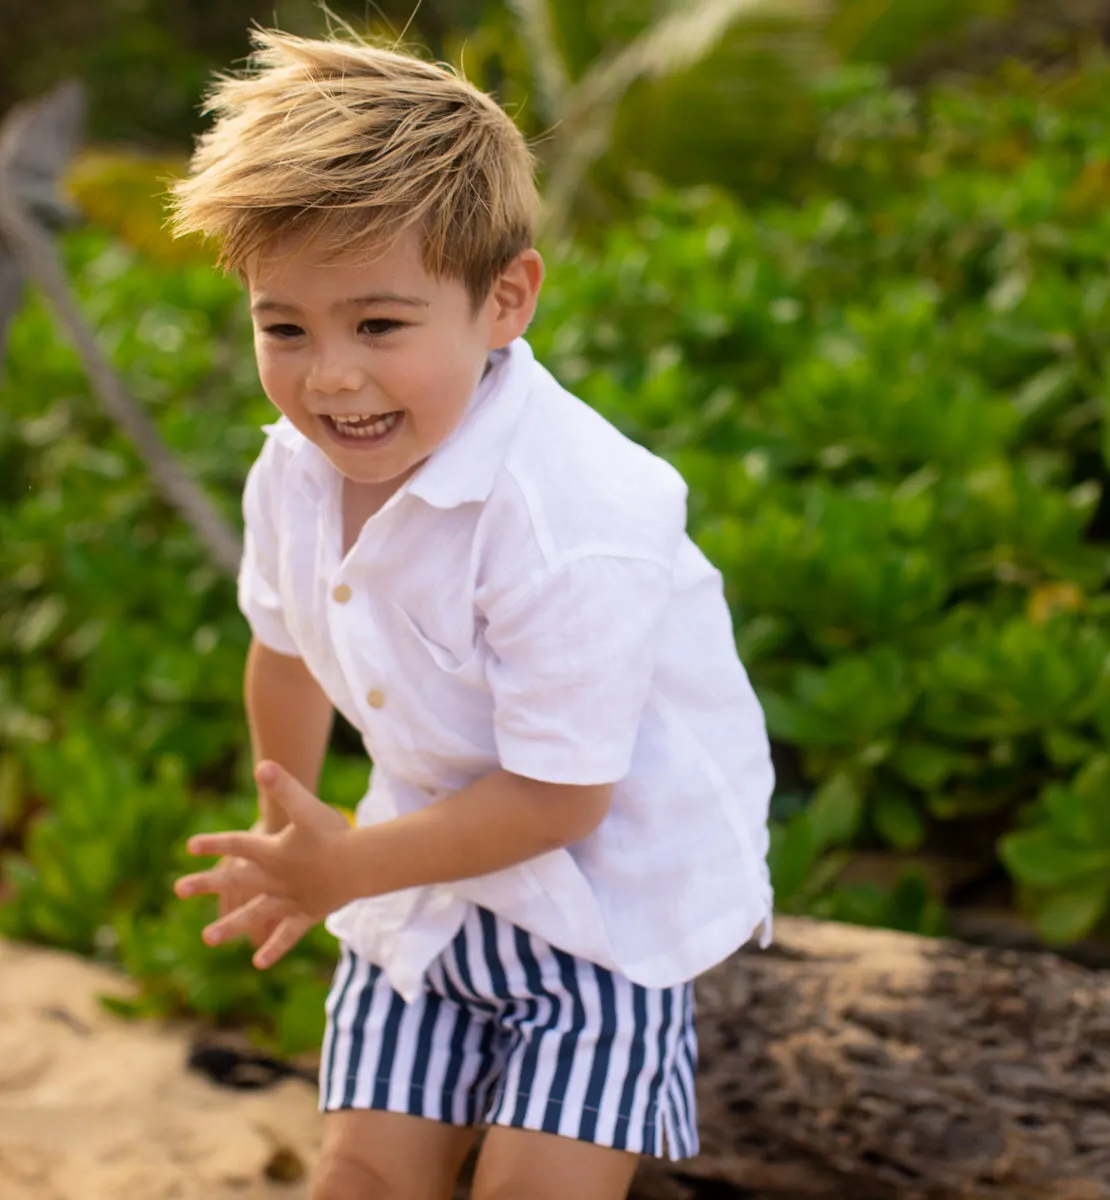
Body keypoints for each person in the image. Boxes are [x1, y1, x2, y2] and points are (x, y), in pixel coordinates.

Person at [169, 28, 774, 1200]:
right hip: (423, 876)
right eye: (282, 327)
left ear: (506, 300)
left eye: (378, 326)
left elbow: (564, 796)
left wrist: (345, 868)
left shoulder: (572, 519)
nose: (328, 376)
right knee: (361, 1176)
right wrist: (293, 834)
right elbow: (283, 651)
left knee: (536, 1188)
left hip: (604, 907)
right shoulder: (291, 475)